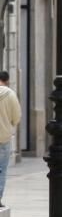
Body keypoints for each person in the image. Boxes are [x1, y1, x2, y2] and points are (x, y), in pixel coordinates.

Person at [0, 71, 21, 208]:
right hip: (3, 138)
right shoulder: (10, 95)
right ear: (6, 80)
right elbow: (16, 118)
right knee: (1, 170)